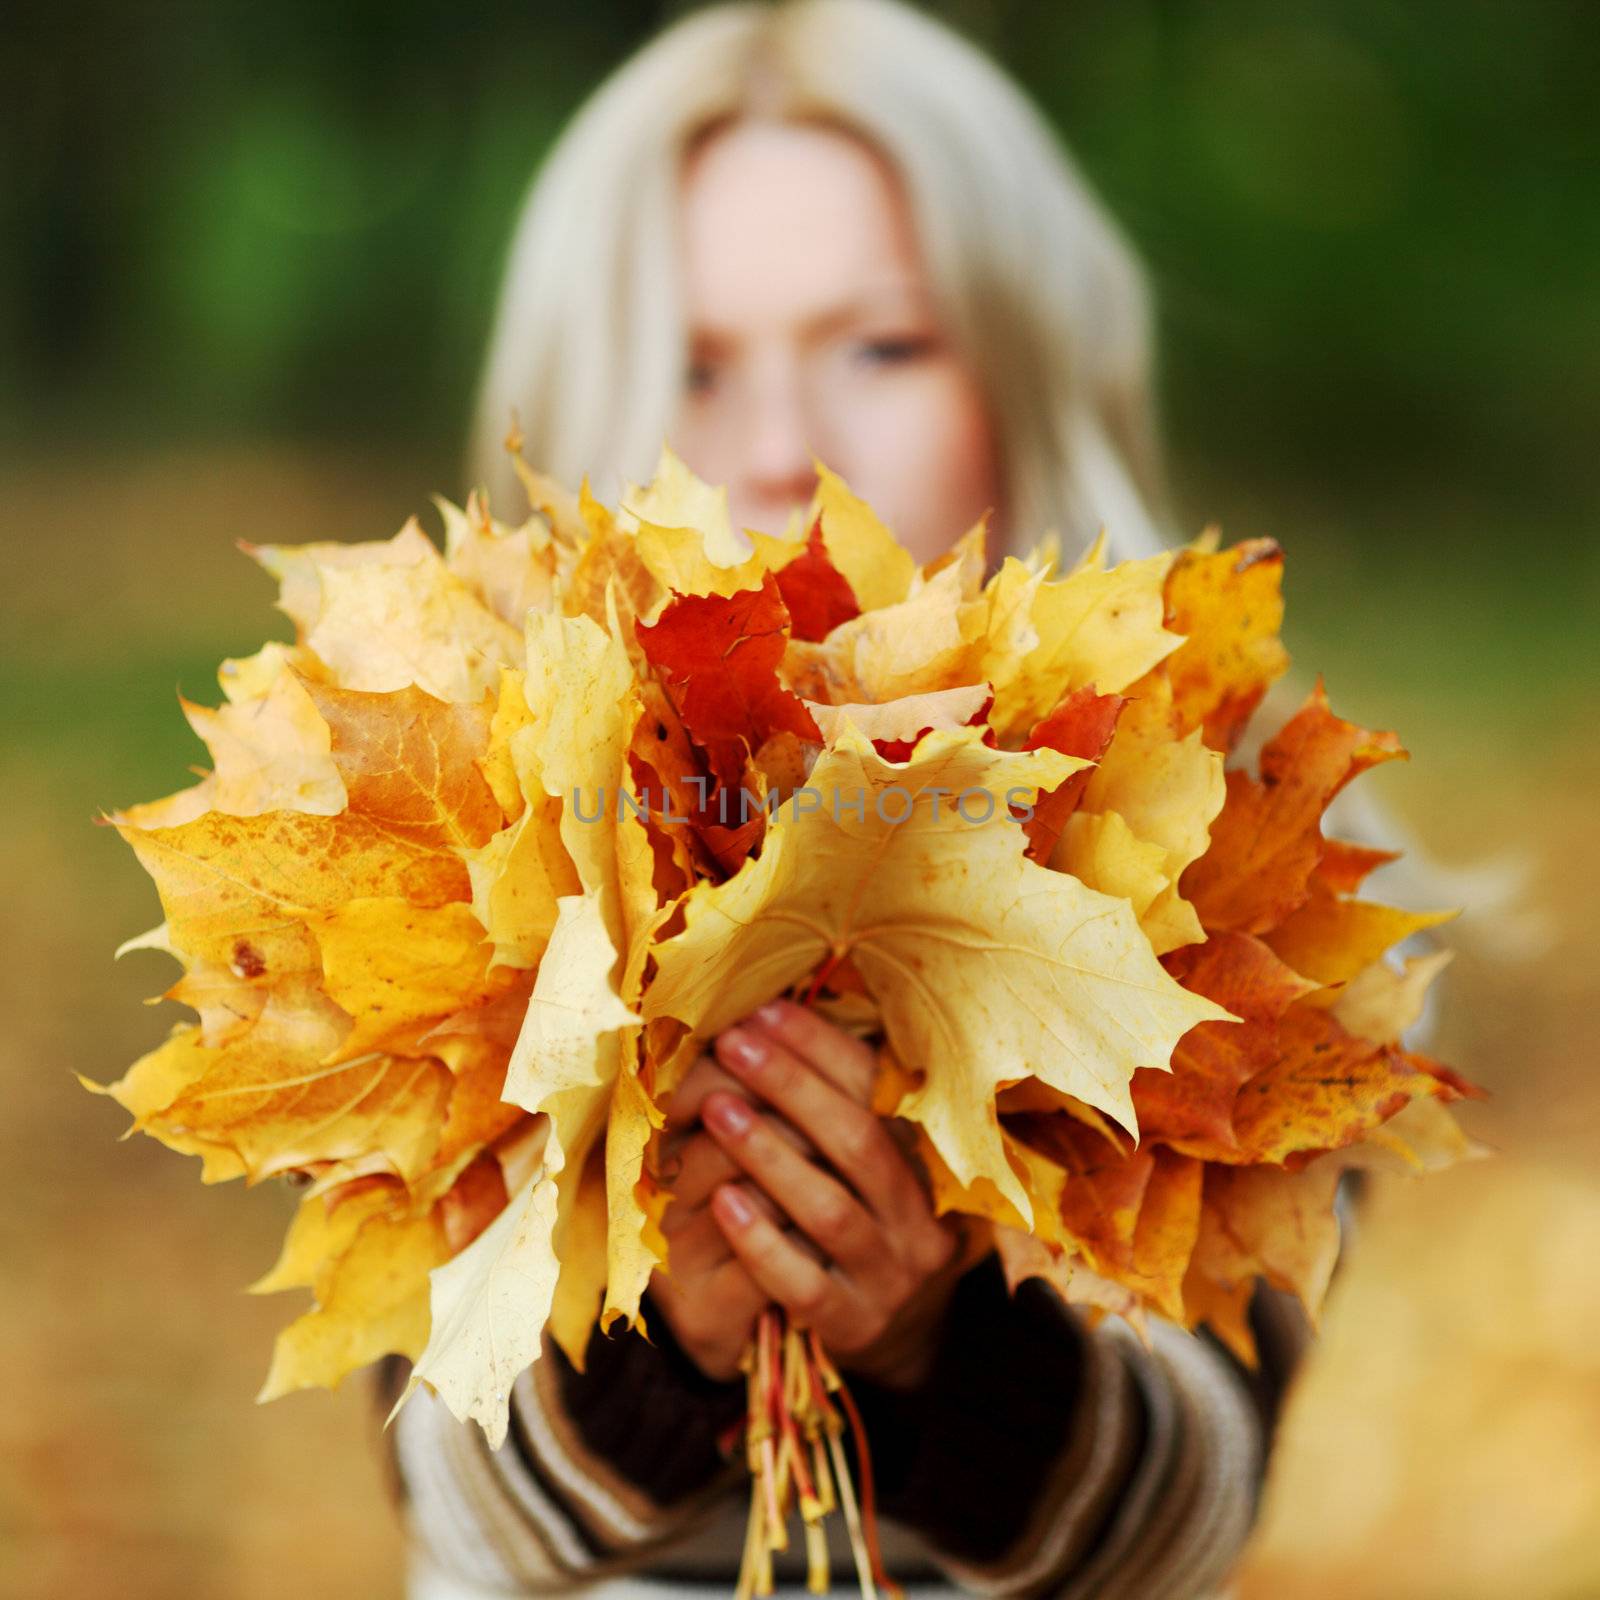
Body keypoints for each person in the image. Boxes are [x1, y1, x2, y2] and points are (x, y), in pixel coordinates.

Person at [384, 4, 1315, 1596]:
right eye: (692, 361)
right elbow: (445, 1490)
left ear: (1023, 381)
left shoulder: (1219, 853)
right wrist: (660, 1343)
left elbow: (1194, 1499)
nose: (783, 446)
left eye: (881, 346)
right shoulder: (483, 854)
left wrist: (937, 1349)